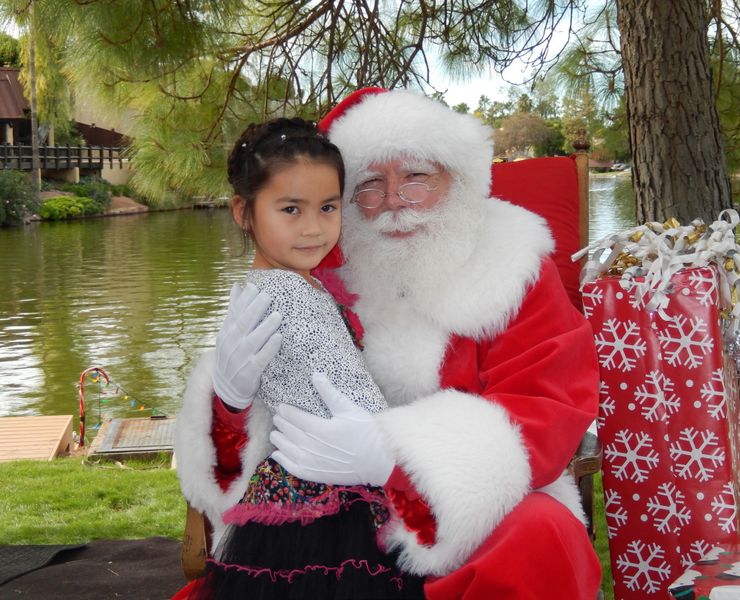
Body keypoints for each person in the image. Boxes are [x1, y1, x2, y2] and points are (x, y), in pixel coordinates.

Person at [176, 88, 601, 599]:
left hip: (465, 513)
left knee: (540, 534)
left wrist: (395, 457)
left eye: (417, 176)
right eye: (370, 184)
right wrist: (228, 401)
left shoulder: (512, 270)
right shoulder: (315, 267)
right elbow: (253, 438)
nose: (394, 201)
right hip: (325, 519)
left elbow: (546, 406)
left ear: (458, 178)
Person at [176, 117, 424, 598]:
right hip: (329, 501)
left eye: (328, 207)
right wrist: (401, 456)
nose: (314, 229)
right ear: (243, 212)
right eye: (291, 209)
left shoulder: (268, 285)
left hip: (291, 491)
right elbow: (349, 390)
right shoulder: (293, 295)